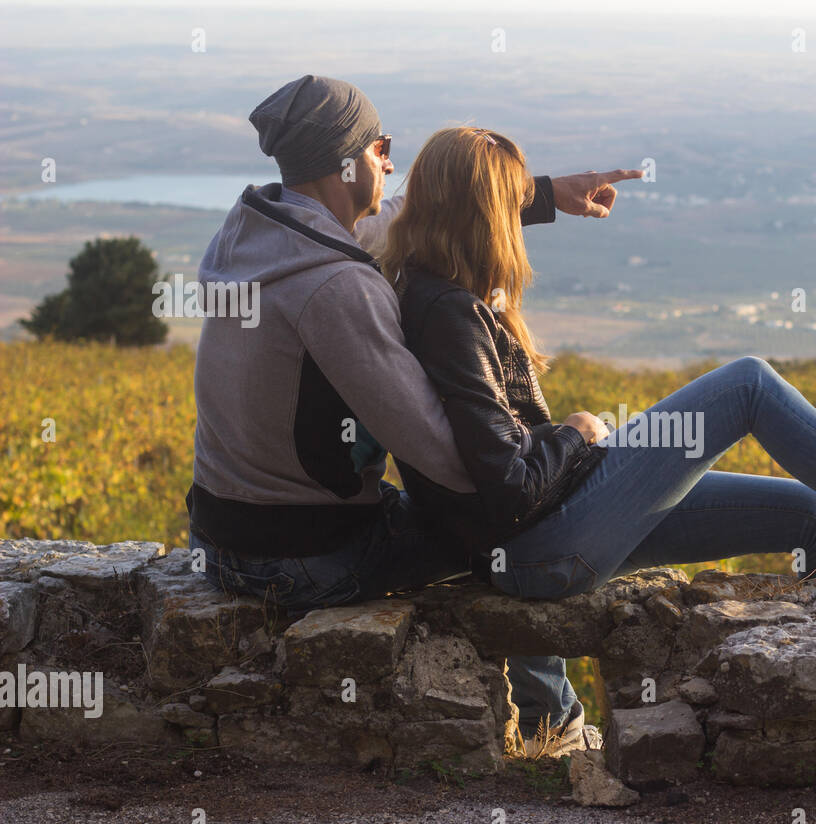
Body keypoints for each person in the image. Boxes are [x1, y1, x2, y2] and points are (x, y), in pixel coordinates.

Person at [380, 126, 816, 755]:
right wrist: (577, 433)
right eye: (511, 204)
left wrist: (549, 194)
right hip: (540, 542)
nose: (517, 221)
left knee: (810, 511)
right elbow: (506, 487)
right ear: (483, 214)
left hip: (559, 516)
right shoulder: (449, 314)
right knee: (746, 384)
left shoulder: (427, 275)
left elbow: (463, 200)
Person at [186, 76, 636, 750]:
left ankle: (551, 718)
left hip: (223, 532)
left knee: (491, 508)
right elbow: (457, 465)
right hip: (303, 556)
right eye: (382, 146)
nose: (391, 162)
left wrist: (539, 194)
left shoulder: (262, 235)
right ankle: (558, 731)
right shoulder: (337, 289)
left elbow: (398, 214)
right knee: (508, 529)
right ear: (348, 163)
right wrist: (566, 436)